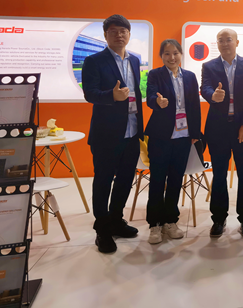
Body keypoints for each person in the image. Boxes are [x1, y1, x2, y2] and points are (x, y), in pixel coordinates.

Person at [82, 14, 143, 254]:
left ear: (129, 34)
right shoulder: (94, 61)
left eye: (123, 31)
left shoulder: (135, 60)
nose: (119, 35)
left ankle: (116, 219)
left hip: (132, 130)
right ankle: (103, 230)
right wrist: (111, 96)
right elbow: (90, 93)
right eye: (114, 31)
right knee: (103, 180)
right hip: (106, 134)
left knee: (126, 179)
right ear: (105, 35)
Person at [200, 28, 243, 238]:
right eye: (220, 40)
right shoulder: (209, 66)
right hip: (218, 129)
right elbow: (205, 88)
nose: (225, 44)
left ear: (237, 42)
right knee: (219, 175)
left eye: (228, 40)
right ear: (217, 43)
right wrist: (212, 95)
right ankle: (218, 219)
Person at [144, 39, 202, 244]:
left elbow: (195, 105)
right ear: (161, 56)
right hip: (161, 136)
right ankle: (154, 224)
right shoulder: (155, 74)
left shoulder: (190, 76)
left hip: (183, 136)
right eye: (167, 53)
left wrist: (195, 132)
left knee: (176, 180)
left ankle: (171, 221)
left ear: (181, 54)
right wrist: (157, 102)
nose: (172, 57)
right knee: (158, 180)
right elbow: (150, 96)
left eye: (175, 53)